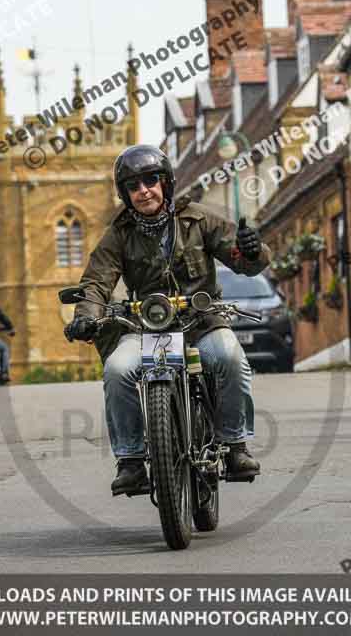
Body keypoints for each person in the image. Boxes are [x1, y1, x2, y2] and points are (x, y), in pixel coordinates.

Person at [64, 145, 271, 496]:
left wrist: (251, 250)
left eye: (150, 181)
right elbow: (97, 282)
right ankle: (130, 461)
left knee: (230, 357)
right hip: (144, 325)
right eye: (133, 186)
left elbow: (241, 258)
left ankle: (235, 446)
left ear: (166, 183)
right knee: (117, 370)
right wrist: (86, 316)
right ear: (125, 194)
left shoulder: (199, 219)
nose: (143, 190)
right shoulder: (119, 234)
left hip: (200, 321)